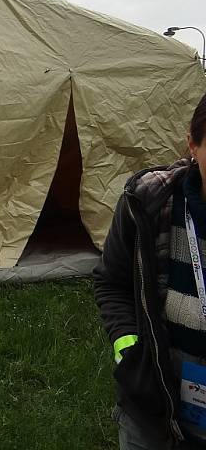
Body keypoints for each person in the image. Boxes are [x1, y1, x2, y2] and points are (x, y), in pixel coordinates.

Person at [95, 91, 206, 449]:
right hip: (154, 398)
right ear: (192, 143)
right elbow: (112, 283)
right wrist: (131, 351)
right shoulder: (147, 203)